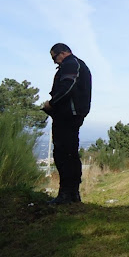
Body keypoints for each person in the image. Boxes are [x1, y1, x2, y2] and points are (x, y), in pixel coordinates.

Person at [42, 43, 92, 205]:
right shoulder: (78, 64)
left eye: (54, 58)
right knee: (70, 153)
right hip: (73, 114)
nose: (54, 62)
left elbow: (67, 86)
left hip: (67, 115)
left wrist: (52, 103)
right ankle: (72, 194)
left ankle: (66, 194)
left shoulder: (71, 64)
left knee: (63, 154)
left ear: (62, 53)